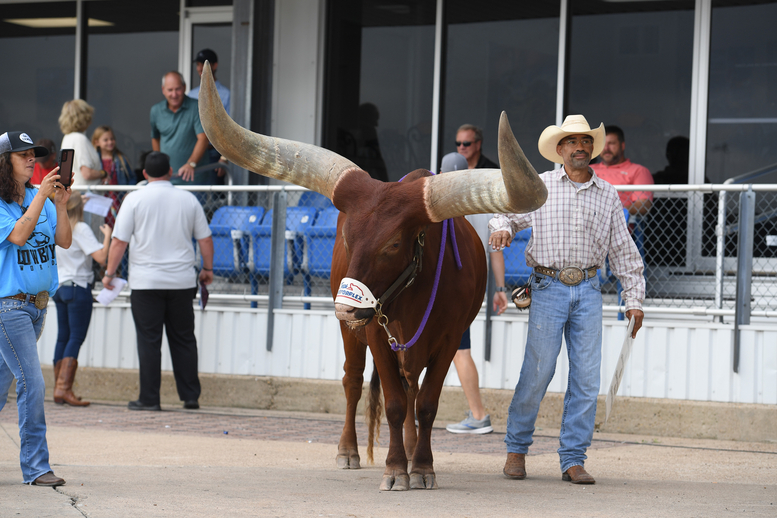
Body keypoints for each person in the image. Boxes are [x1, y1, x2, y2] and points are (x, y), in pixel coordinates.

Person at [489, 115, 645, 485]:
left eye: (586, 142)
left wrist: (634, 299)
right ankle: (516, 450)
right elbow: (504, 215)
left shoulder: (607, 193)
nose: (581, 148)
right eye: (572, 142)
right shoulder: (539, 186)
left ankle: (573, 458)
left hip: (589, 288)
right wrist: (500, 231)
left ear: (592, 148)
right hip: (547, 286)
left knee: (587, 378)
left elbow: (623, 250)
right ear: (559, 150)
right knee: (539, 370)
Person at [102, 152, 214, 411]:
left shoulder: (134, 199)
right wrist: (207, 268)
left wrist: (109, 274)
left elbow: (119, 242)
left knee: (149, 341)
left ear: (144, 174)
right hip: (182, 281)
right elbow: (205, 239)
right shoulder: (188, 199)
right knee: (184, 339)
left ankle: (150, 398)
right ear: (171, 171)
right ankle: (190, 396)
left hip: (145, 282)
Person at [0, 130, 72, 486]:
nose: (32, 159)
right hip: (8, 307)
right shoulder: (2, 202)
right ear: (4, 162)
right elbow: (17, 235)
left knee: (1, 385)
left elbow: (64, 240)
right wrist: (41, 197)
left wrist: (58, 204)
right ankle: (36, 467)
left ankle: (34, 464)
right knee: (33, 382)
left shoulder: (37, 196)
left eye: (34, 154)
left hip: (39, 307)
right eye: (22, 154)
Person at [440, 152, 508, 435]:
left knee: (458, 350)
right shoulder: (485, 204)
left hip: (446, 286)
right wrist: (500, 289)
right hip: (472, 286)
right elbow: (496, 253)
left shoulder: (441, 204)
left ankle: (479, 414)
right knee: (456, 349)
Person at [52, 192, 111, 407]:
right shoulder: (80, 228)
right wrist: (108, 235)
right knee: (75, 338)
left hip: (60, 287)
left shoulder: (57, 226)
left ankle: (58, 388)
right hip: (78, 287)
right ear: (79, 209)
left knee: (63, 337)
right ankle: (63, 388)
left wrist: (76, 202)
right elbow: (101, 257)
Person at [150, 71, 209, 186]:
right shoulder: (155, 111)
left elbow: (203, 138)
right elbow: (155, 138)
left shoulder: (197, 107)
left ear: (185, 87)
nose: (174, 94)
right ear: (163, 90)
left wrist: (191, 163)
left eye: (178, 89)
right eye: (170, 90)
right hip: (167, 180)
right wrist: (159, 166)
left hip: (194, 178)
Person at [590, 125, 653, 216]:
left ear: (622, 145)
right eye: (603, 144)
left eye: (611, 143)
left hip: (620, 226)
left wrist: (612, 213)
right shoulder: (588, 170)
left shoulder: (638, 171)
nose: (606, 148)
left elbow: (643, 205)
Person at [91, 125, 135, 228]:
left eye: (112, 139)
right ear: (97, 142)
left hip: (118, 198)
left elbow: (132, 177)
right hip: (101, 198)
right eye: (105, 140)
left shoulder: (121, 158)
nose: (110, 142)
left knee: (120, 223)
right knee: (102, 224)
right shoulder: (94, 159)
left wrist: (128, 192)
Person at [59, 100, 107, 187]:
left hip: (74, 192)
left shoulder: (67, 137)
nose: (91, 121)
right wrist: (104, 173)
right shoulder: (80, 139)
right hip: (86, 195)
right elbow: (87, 173)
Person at [188, 48, 230, 114]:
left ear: (214, 65)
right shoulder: (191, 94)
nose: (200, 68)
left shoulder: (227, 95)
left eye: (204, 64)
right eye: (198, 65)